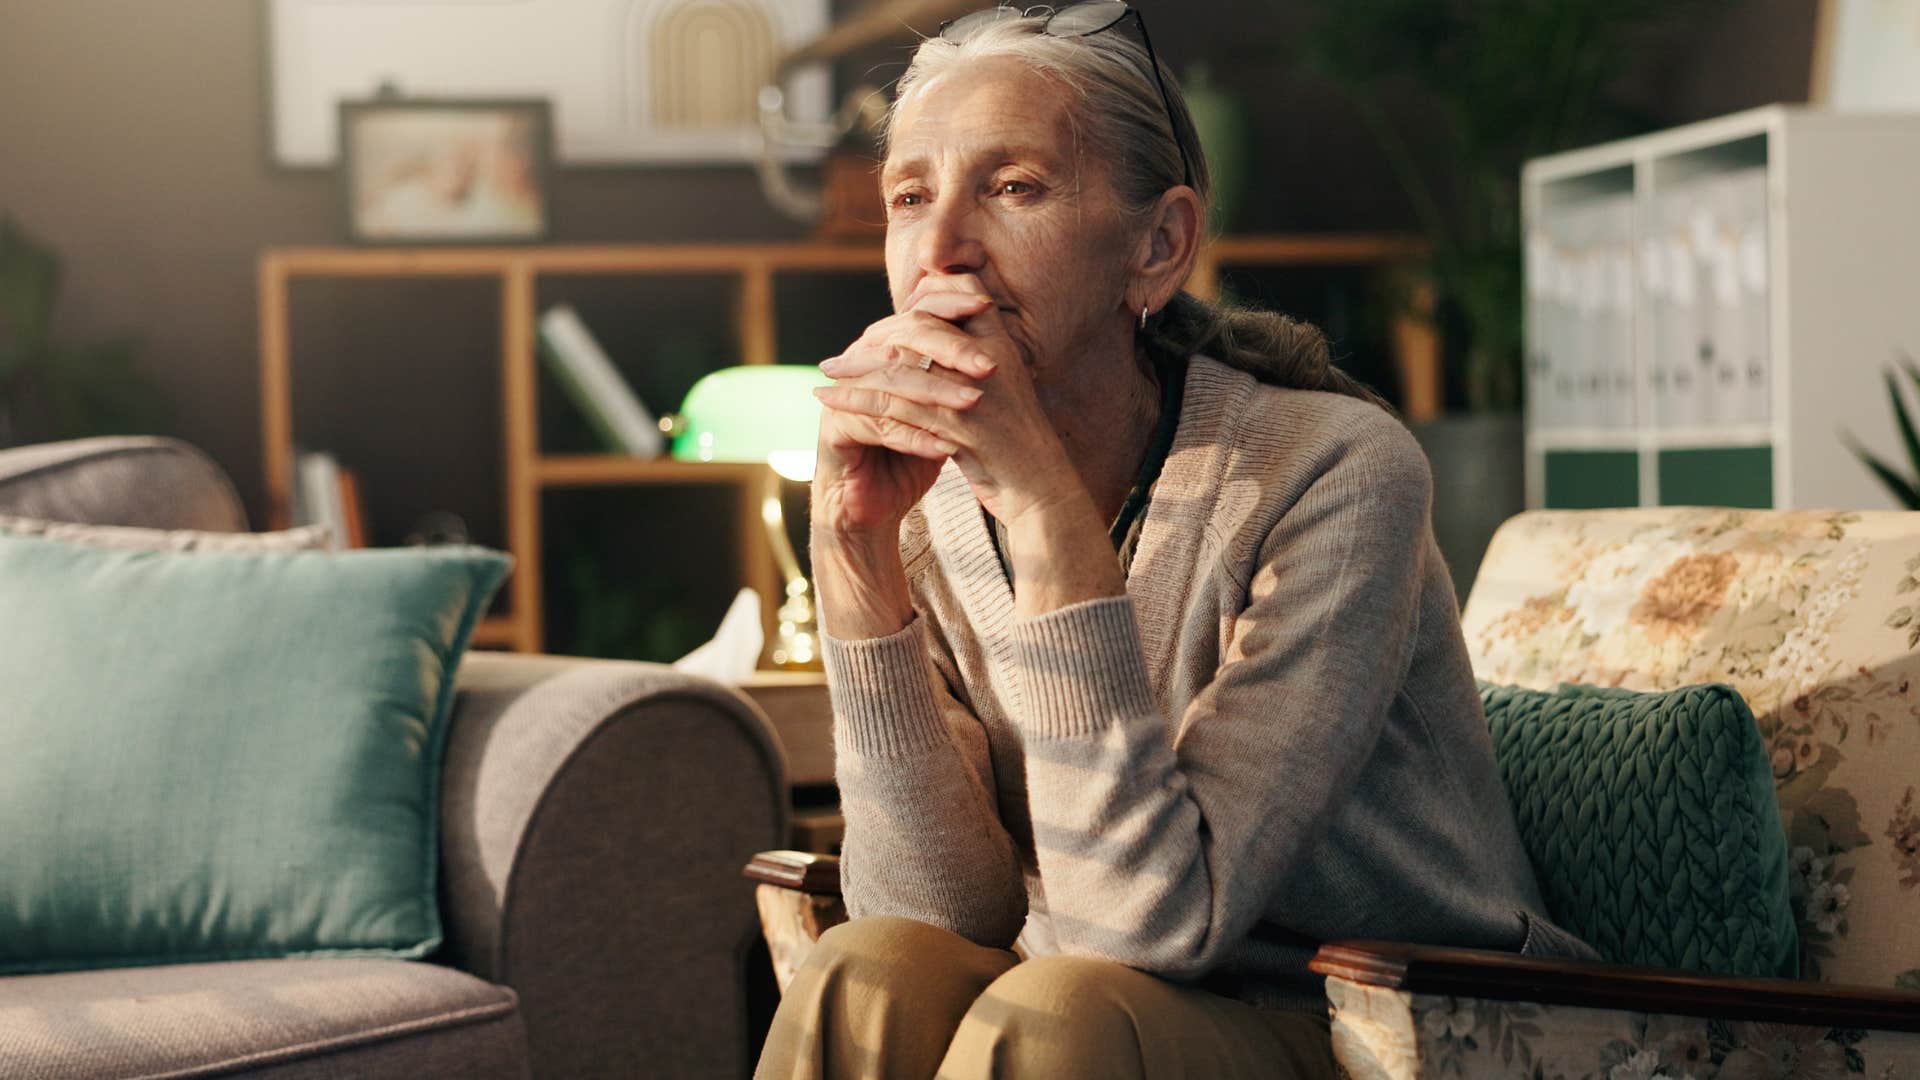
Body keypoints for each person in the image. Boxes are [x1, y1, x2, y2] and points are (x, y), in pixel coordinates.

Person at [756, 5, 1593, 1078]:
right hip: (1096, 1004)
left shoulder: (1332, 472)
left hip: (1391, 1026)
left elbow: (1148, 925)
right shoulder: (922, 499)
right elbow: (934, 912)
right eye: (909, 197)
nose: (944, 248)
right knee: (864, 970)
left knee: (1059, 1012)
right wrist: (853, 555)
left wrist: (1051, 520)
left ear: (1158, 246)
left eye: (1012, 188)